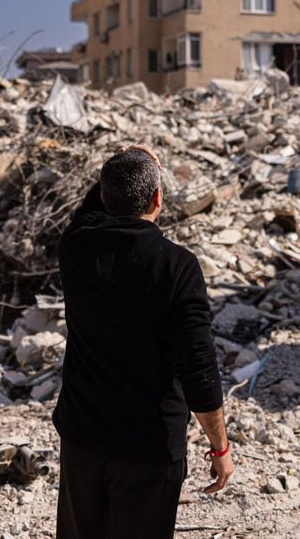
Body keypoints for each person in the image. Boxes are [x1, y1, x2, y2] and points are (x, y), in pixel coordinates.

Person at [53, 146, 234, 539]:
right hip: (147, 449)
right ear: (158, 199)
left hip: (82, 439)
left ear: (103, 196)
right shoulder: (176, 266)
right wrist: (219, 447)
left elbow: (87, 211)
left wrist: (123, 162)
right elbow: (198, 368)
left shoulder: (76, 247)